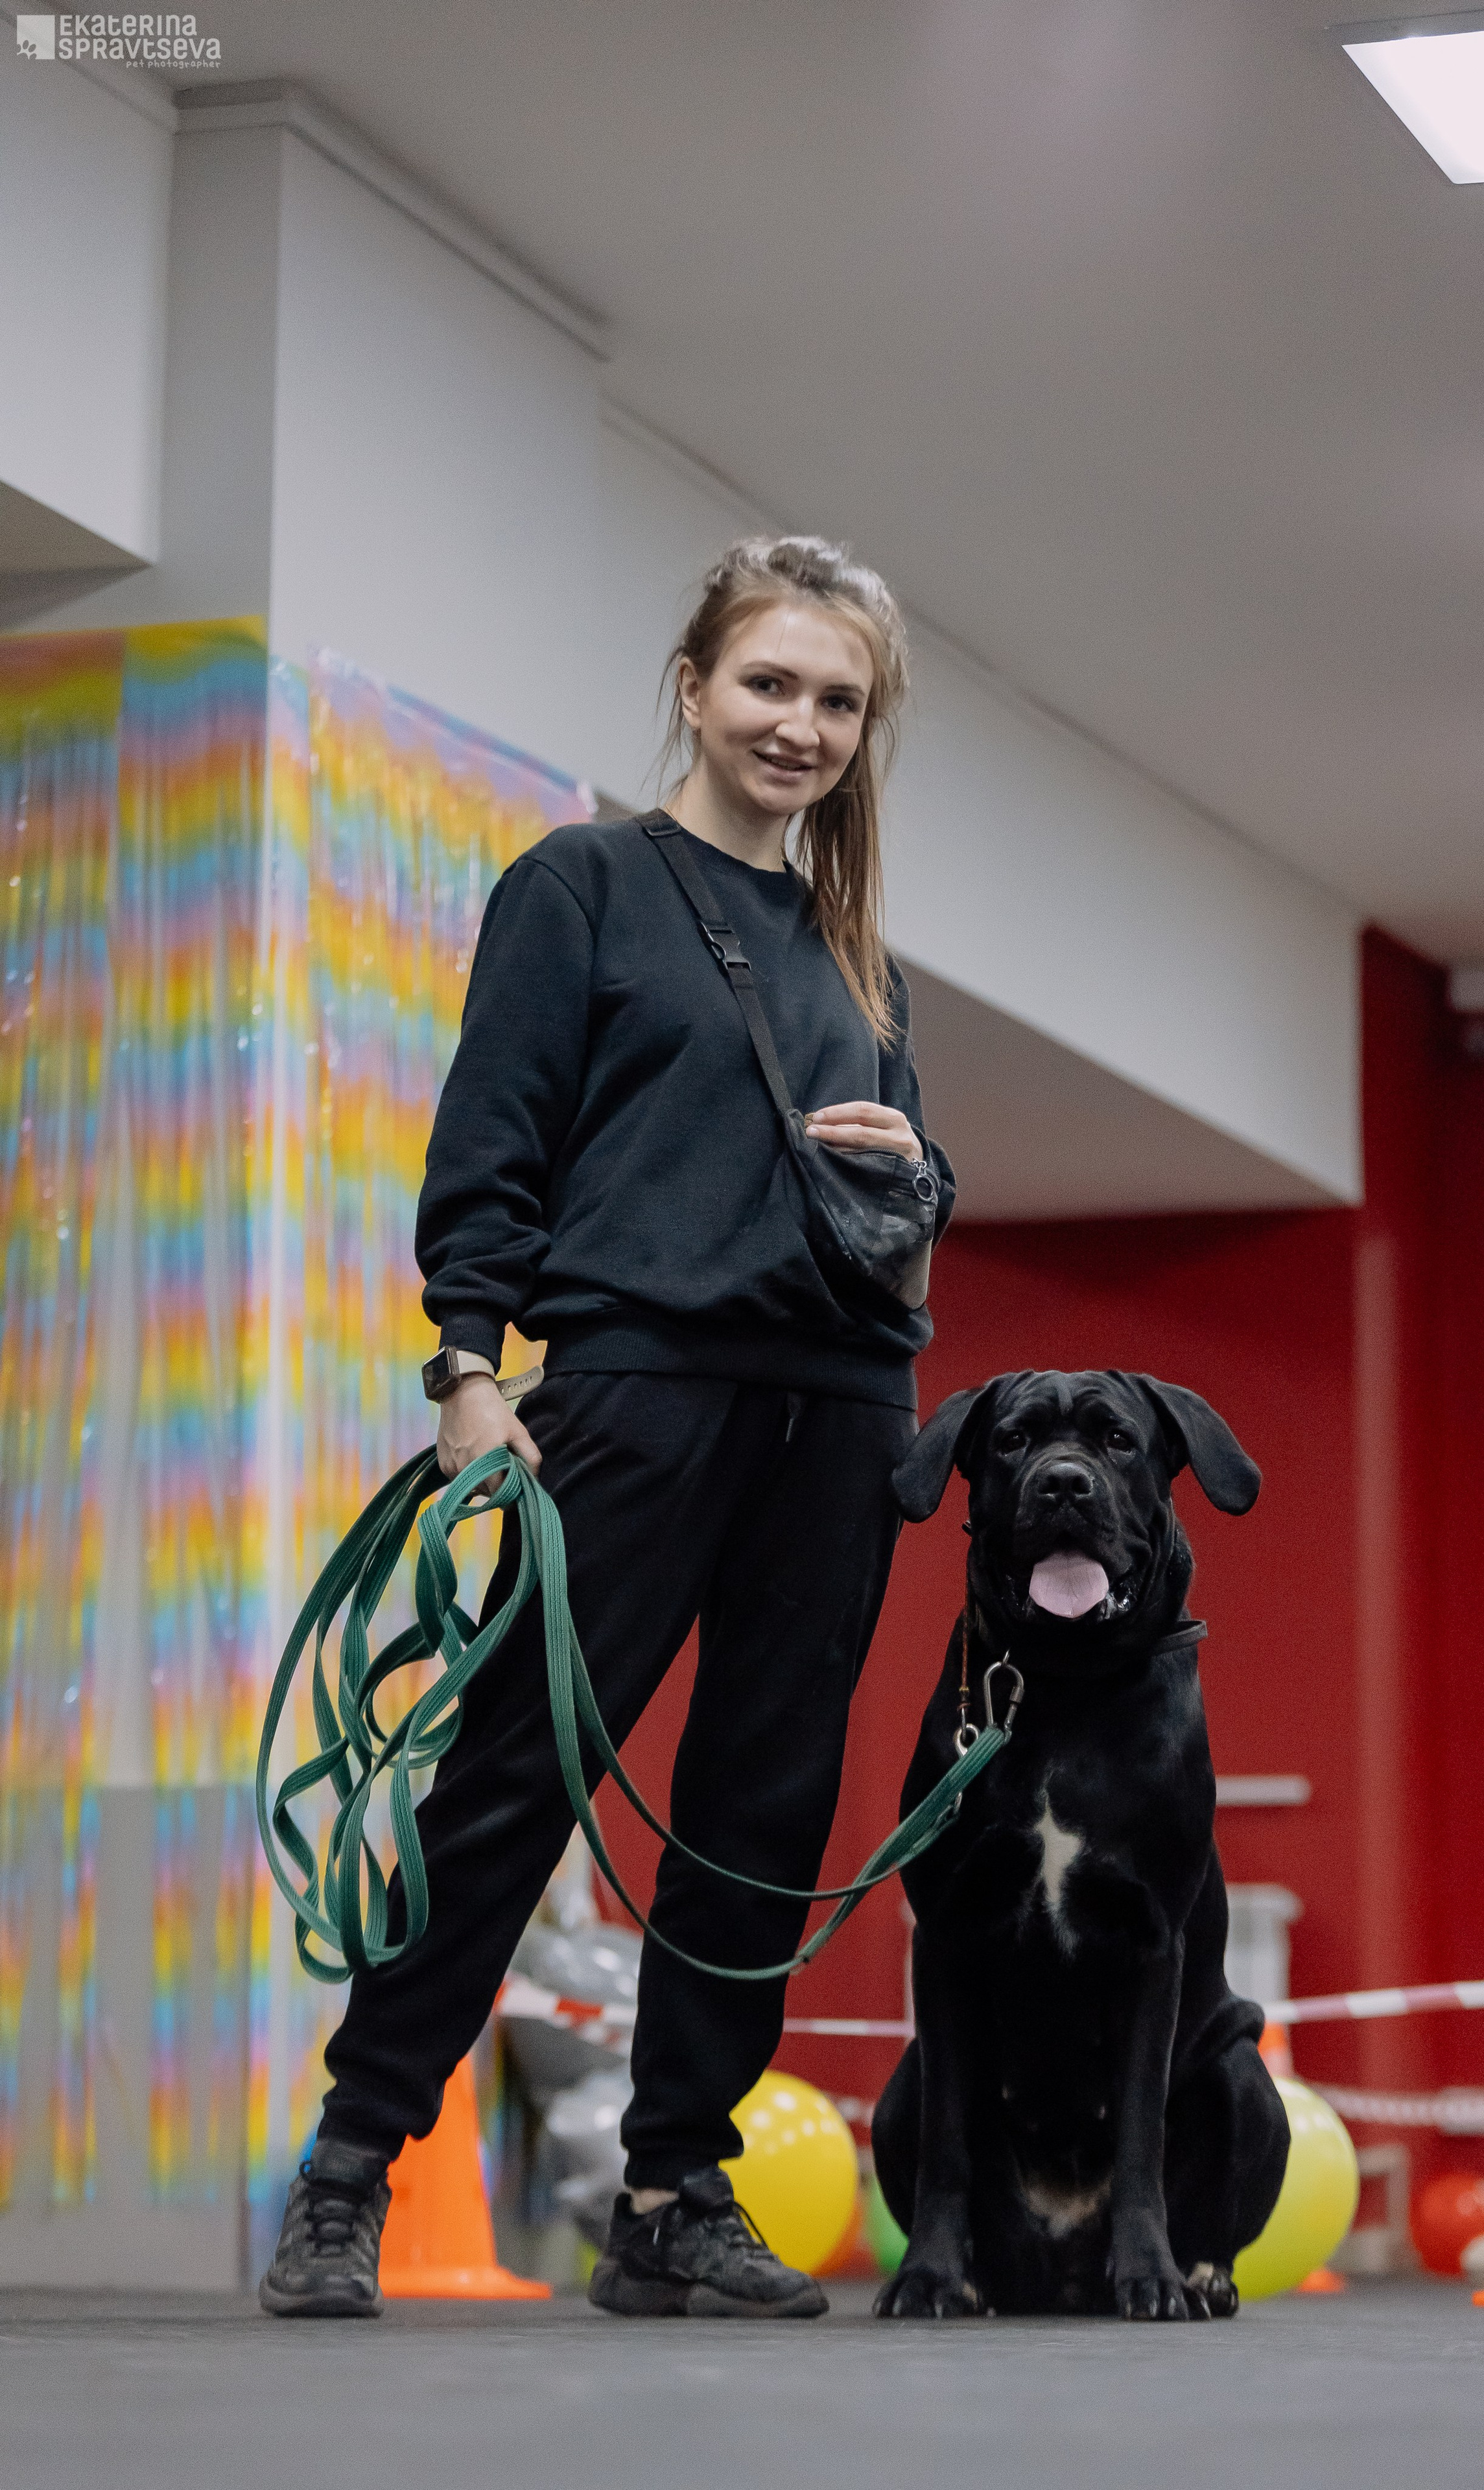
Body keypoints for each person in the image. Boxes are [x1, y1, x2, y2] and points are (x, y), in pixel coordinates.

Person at [259, 534, 955, 2320]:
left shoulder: (866, 954)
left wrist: (916, 1174)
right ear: (695, 688)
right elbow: (489, 1142)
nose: (799, 725)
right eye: (770, 685)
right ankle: (353, 2159)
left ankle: (672, 2192)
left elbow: (898, 1194)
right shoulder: (582, 884)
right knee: (511, 1780)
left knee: (760, 1811)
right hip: (635, 1388)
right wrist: (470, 1372)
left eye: (836, 701)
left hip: (843, 1404)